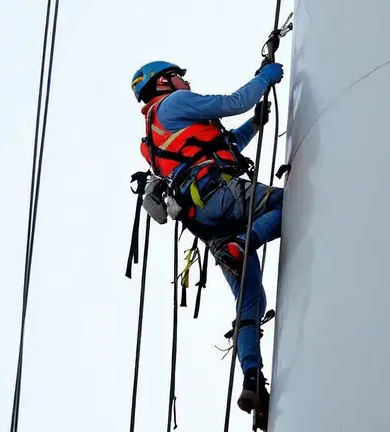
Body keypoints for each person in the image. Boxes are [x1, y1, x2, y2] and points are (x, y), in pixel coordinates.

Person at [130, 60, 284, 428]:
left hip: (206, 222)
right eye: (179, 76)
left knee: (250, 303)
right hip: (220, 195)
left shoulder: (154, 137)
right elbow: (233, 101)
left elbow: (218, 146)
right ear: (163, 81)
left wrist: (256, 125)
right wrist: (264, 78)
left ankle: (252, 380)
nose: (185, 80)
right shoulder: (172, 104)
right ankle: (246, 240)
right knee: (290, 203)